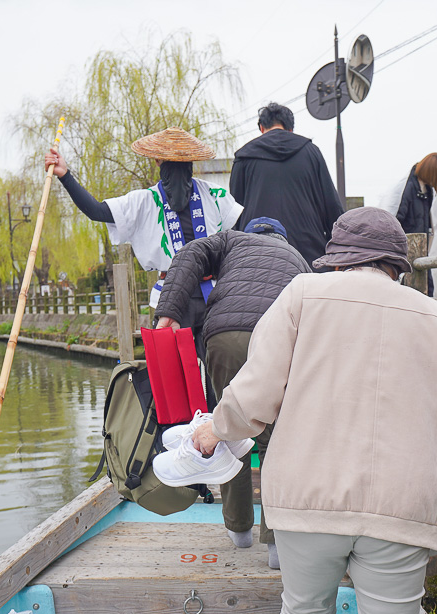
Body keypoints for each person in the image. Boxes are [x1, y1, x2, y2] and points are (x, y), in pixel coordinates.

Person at [192, 207, 437, 614]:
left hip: (309, 499)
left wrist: (215, 430)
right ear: (396, 266)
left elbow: (254, 398)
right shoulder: (434, 315)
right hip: (404, 507)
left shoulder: (303, 294)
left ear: (338, 259)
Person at [154, 218, 310, 567]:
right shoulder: (298, 260)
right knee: (275, 440)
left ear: (250, 233)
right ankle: (277, 547)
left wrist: (169, 310)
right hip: (276, 341)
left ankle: (239, 530)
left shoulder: (230, 241)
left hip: (225, 335)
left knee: (228, 427)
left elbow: (190, 252)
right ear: (281, 238)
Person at [46, 127, 243, 356]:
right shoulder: (214, 194)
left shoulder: (148, 200)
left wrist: (65, 175)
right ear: (191, 161)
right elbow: (238, 237)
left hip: (184, 297)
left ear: (158, 161)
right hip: (206, 296)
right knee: (216, 370)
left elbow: (96, 211)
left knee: (178, 373)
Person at [229, 102, 344, 266]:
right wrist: (339, 250)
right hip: (309, 255)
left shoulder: (244, 156)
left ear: (261, 128)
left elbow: (234, 211)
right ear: (290, 129)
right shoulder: (311, 152)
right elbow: (331, 205)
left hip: (256, 254)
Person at [389, 153, 437, 235]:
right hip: (406, 243)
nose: (436, 181)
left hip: (419, 244)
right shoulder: (408, 188)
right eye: (436, 177)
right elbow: (397, 219)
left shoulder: (428, 191)